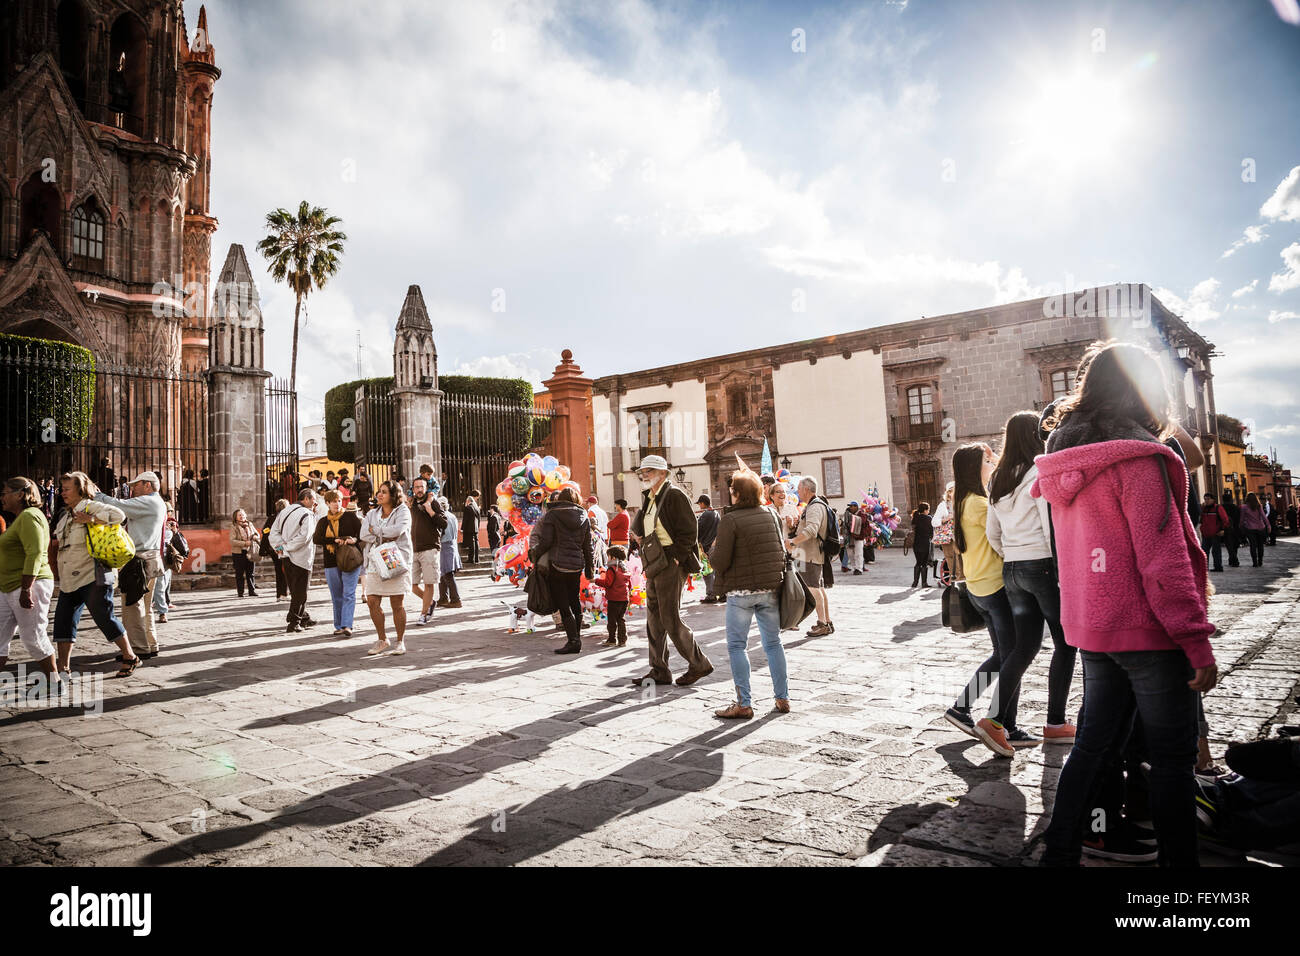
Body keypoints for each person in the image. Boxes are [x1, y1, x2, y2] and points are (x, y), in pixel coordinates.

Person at [1036, 341, 1217, 868]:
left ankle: (1060, 852)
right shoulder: (1139, 460)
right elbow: (1164, 561)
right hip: (1148, 630)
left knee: (1094, 747)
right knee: (1172, 762)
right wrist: (1196, 641)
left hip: (1093, 626)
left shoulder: (1063, 462)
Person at [940, 442, 1039, 755]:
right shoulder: (979, 505)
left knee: (1006, 655)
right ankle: (986, 717)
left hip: (979, 586)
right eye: (985, 460)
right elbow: (1002, 535)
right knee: (1013, 656)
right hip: (994, 586)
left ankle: (1000, 722)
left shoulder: (965, 501)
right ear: (974, 467)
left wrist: (994, 461)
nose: (990, 463)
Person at [985, 410, 1077, 745]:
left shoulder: (996, 479)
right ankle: (1055, 723)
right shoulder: (1038, 472)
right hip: (1041, 566)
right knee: (1065, 644)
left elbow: (991, 532)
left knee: (1024, 647)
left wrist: (1011, 553)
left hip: (1012, 569)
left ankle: (995, 720)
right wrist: (1061, 566)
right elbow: (1049, 526)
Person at [709, 469, 790, 719]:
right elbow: (780, 549)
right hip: (770, 589)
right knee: (774, 643)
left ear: (736, 494)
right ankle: (782, 697)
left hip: (741, 592)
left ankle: (744, 703)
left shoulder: (730, 520)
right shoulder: (771, 514)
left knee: (736, 646)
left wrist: (711, 552)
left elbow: (720, 562)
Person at [628, 455, 713, 686]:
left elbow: (689, 530)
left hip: (669, 561)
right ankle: (659, 669)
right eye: (642, 471)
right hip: (654, 561)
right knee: (654, 619)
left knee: (669, 617)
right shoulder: (650, 497)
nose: (643, 475)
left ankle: (699, 663)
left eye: (649, 471)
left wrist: (676, 558)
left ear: (663, 474)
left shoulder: (674, 495)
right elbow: (643, 525)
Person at [50, 472, 136, 677]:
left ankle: (129, 656)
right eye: (62, 489)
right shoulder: (65, 514)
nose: (62, 493)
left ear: (80, 490)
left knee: (104, 617)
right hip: (69, 578)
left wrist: (92, 519)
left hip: (92, 575)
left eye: (67, 489)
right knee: (63, 621)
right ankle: (64, 669)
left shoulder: (90, 506)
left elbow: (119, 516)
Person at [97, 472, 167, 660]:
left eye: (136, 484)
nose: (132, 488)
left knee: (132, 606)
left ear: (147, 485)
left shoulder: (149, 502)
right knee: (145, 605)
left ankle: (138, 649)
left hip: (139, 560)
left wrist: (98, 496)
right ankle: (151, 644)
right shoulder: (157, 502)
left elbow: (119, 505)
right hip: (151, 558)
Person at [0, 477, 59, 685]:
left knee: (32, 636)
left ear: (20, 494)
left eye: (5, 492)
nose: (2, 497)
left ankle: (54, 681)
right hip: (8, 586)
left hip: (28, 585)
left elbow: (34, 554)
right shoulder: (20, 518)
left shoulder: (30, 516)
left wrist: (26, 589)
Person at [529, 486, 595, 654]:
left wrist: (534, 553)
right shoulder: (584, 516)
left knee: (563, 604)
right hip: (576, 565)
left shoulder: (553, 515)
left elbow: (546, 541)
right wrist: (590, 569)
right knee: (574, 601)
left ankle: (573, 641)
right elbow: (588, 547)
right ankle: (576, 638)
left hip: (557, 564)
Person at [359, 480, 412, 655]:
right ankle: (382, 639)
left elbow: (398, 530)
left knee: (397, 603)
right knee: (372, 601)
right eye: (379, 491)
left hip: (394, 560)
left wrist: (376, 531)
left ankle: (400, 641)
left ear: (393, 495)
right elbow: (363, 534)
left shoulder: (403, 510)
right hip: (374, 561)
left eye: (384, 492)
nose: (379, 495)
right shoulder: (372, 513)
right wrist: (381, 533)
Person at [313, 490, 363, 637]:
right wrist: (333, 540)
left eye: (339, 500)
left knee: (349, 593)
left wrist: (353, 540)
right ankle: (339, 625)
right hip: (331, 561)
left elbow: (361, 534)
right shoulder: (323, 521)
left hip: (350, 559)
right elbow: (316, 539)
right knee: (336, 595)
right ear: (327, 503)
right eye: (334, 501)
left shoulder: (350, 516)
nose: (337, 504)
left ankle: (347, 625)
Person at [789, 476, 834, 636]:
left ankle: (822, 623)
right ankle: (826, 622)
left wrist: (793, 541)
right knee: (819, 588)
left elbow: (811, 530)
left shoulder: (815, 507)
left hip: (809, 555)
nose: (798, 492)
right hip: (812, 554)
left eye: (799, 489)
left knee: (814, 589)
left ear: (806, 489)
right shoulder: (816, 505)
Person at [269, 488, 318, 633]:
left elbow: (273, 533)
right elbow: (305, 536)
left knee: (295, 589)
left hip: (286, 557)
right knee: (300, 591)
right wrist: (288, 547)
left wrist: (281, 549)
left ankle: (303, 617)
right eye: (314, 499)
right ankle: (294, 621)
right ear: (307, 499)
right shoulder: (307, 514)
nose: (316, 502)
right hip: (301, 558)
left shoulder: (285, 511)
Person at [408, 476, 446, 626]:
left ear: (426, 488)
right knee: (412, 585)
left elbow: (444, 523)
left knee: (429, 583)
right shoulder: (410, 505)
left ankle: (423, 615)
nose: (418, 490)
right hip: (414, 549)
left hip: (430, 548)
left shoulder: (433, 503)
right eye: (416, 487)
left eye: (421, 487)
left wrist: (430, 511)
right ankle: (430, 602)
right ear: (413, 489)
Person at [594, 545, 631, 647]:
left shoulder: (612, 569)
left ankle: (612, 639)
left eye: (608, 556)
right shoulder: (625, 568)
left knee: (612, 620)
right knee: (621, 619)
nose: (608, 558)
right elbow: (629, 584)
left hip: (614, 599)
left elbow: (608, 583)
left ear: (613, 558)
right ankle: (622, 640)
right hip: (624, 598)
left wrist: (596, 581)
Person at [154, 509, 186, 622]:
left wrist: (174, 530)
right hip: (155, 557)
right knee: (159, 586)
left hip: (167, 559)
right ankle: (162, 612)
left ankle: (160, 607)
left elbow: (178, 542)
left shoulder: (170, 524)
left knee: (164, 584)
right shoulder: (152, 523)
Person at [230, 509, 261, 597]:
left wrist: (255, 536)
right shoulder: (233, 526)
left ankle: (252, 591)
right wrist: (244, 543)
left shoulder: (250, 524)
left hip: (250, 551)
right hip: (239, 553)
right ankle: (240, 592)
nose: (242, 516)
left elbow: (257, 534)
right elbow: (232, 541)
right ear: (235, 517)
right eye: (239, 515)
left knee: (250, 572)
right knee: (239, 573)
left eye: (243, 514)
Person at [696, 494, 721, 603]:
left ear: (702, 503)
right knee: (716, 570)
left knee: (707, 572)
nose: (699, 506)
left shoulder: (705, 515)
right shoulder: (716, 513)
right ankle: (721, 593)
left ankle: (711, 594)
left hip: (706, 546)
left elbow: (698, 529)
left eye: (699, 503)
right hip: (716, 545)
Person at [933, 482, 960, 582]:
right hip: (948, 538)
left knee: (963, 562)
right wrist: (945, 519)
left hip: (961, 537)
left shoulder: (962, 503)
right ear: (949, 493)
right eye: (953, 491)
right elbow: (934, 522)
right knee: (952, 561)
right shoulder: (943, 505)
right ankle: (957, 584)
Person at [438, 497, 462, 608]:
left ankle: (455, 599)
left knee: (447, 574)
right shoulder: (453, 516)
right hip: (453, 545)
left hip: (445, 545)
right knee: (443, 574)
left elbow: (441, 533)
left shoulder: (442, 517)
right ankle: (443, 597)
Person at [262, 501, 288, 600]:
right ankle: (283, 594)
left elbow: (264, 531)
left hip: (273, 548)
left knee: (279, 570)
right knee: (284, 570)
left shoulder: (271, 518)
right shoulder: (286, 518)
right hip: (282, 547)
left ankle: (279, 594)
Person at [1199, 492, 1230, 574]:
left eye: (1208, 499)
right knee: (1204, 551)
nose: (1206, 501)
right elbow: (1200, 519)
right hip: (1205, 534)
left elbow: (1225, 519)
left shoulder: (1218, 508)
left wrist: (1223, 529)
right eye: (1205, 499)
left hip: (1215, 533)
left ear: (1213, 500)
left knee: (1216, 551)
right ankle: (1204, 568)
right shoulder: (1203, 509)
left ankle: (1218, 567)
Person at [1239, 493, 1268, 567]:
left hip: (1250, 528)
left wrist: (1241, 526)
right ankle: (1260, 561)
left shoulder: (1244, 507)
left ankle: (1255, 562)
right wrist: (1269, 525)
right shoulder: (1259, 506)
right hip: (1260, 528)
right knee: (1260, 545)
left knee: (1253, 545)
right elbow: (1264, 517)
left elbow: (1242, 518)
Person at [910, 502, 934, 588]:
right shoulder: (929, 518)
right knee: (924, 563)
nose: (928, 511)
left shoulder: (915, 518)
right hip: (925, 543)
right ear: (925, 510)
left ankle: (915, 583)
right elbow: (932, 531)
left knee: (918, 562)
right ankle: (924, 583)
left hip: (916, 543)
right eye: (928, 510)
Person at [841, 501, 868, 575]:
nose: (851, 507)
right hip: (849, 538)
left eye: (852, 506)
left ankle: (859, 569)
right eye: (850, 506)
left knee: (858, 553)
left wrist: (853, 519)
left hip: (858, 537)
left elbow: (862, 522)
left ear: (856, 506)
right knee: (850, 554)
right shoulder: (847, 515)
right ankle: (854, 567)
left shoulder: (862, 514)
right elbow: (844, 525)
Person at [1221, 493, 1241, 568]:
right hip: (1235, 528)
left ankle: (1234, 560)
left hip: (1226, 528)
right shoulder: (1235, 507)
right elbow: (1238, 518)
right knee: (1234, 545)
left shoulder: (1221, 507)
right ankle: (1232, 559)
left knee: (1229, 545)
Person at [462, 491, 481, 565]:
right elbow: (479, 518)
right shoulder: (476, 507)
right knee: (476, 543)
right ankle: (476, 559)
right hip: (475, 528)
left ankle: (471, 559)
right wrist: (478, 527)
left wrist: (462, 528)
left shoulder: (468, 508)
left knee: (471, 544)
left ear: (468, 501)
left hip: (469, 528)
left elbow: (465, 519)